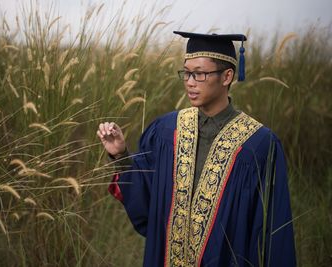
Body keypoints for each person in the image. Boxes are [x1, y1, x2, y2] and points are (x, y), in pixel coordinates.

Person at [97, 31, 296, 267]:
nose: (190, 81)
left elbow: (273, 229)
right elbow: (149, 200)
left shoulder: (259, 144)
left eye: (199, 74)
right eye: (187, 72)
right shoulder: (166, 131)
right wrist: (120, 154)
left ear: (226, 76)